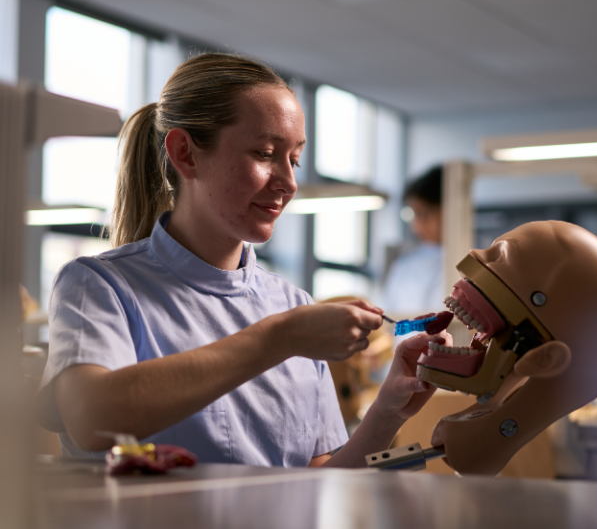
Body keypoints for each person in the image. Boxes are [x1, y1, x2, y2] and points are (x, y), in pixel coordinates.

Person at [35, 53, 449, 468]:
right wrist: (280, 338)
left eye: (295, 159)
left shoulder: (293, 306)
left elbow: (320, 481)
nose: (288, 182)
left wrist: (387, 412)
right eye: (265, 153)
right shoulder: (99, 285)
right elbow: (92, 417)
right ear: (185, 153)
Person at [381, 165, 444, 315]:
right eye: (412, 214)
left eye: (425, 214)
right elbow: (386, 322)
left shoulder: (472, 265)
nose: (416, 226)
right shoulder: (403, 267)